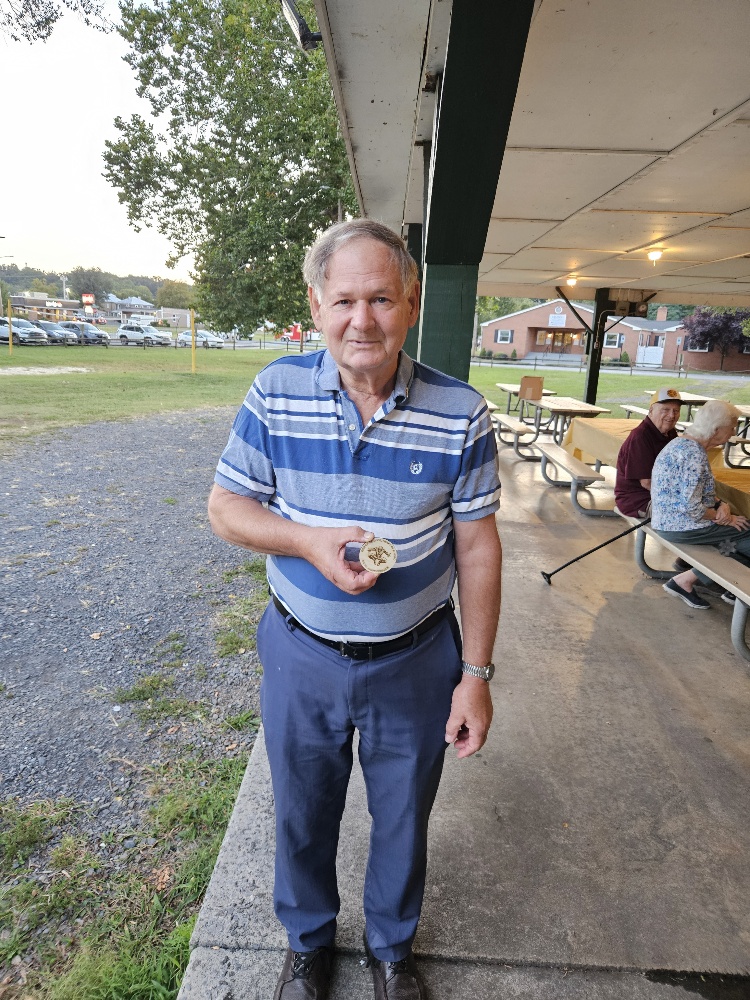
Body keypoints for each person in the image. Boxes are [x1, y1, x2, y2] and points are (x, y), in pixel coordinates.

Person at [208, 218, 503, 1000]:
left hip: (416, 658)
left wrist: (475, 672)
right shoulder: (275, 390)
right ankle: (309, 946)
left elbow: (477, 548)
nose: (361, 319)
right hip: (301, 652)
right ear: (316, 303)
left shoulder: (461, 410)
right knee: (301, 810)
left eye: (380, 297)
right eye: (344, 299)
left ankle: (390, 952)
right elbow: (226, 509)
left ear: (409, 302)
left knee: (404, 817)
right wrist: (306, 542)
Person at [651, 399, 750, 610]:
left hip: (669, 522)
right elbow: (692, 509)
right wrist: (726, 518)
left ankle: (717, 585)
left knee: (736, 540)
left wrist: (721, 503)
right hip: (681, 526)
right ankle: (740, 590)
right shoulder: (694, 454)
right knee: (745, 533)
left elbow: (697, 492)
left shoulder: (682, 443)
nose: (733, 432)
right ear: (716, 429)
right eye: (731, 427)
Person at [614, 387, 685, 518]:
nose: (672, 415)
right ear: (651, 411)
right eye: (665, 410)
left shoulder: (670, 433)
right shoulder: (640, 436)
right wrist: (680, 498)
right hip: (638, 500)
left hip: (659, 495)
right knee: (694, 515)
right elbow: (647, 482)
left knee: (704, 510)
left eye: (676, 411)